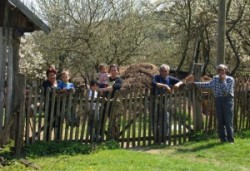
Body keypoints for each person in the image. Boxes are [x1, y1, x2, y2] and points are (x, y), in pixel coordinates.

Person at [193, 64, 235, 143]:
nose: (220, 71)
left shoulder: (230, 79)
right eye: (218, 70)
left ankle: (230, 140)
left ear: (225, 70)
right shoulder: (215, 78)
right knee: (220, 121)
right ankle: (223, 139)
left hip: (227, 100)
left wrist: (223, 81)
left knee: (228, 120)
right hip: (218, 100)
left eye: (222, 70)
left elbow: (227, 91)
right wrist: (196, 83)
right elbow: (208, 85)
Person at [152, 64, 184, 144]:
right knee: (155, 121)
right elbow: (154, 83)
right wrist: (165, 86)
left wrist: (177, 84)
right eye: (162, 71)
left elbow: (182, 81)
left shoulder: (170, 78)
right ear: (160, 71)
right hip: (155, 103)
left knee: (166, 120)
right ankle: (157, 140)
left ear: (168, 72)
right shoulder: (156, 77)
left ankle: (165, 139)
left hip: (166, 103)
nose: (163, 72)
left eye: (165, 71)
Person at [98, 64, 123, 138]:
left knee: (113, 121)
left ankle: (113, 138)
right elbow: (100, 87)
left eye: (115, 70)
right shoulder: (106, 79)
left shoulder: (119, 80)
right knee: (101, 119)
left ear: (118, 71)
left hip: (114, 104)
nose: (114, 71)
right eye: (112, 70)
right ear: (109, 71)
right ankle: (100, 137)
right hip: (104, 102)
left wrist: (105, 89)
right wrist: (103, 90)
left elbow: (115, 87)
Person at [41, 67, 60, 141]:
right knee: (49, 124)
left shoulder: (59, 82)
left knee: (58, 124)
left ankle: (57, 140)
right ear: (47, 76)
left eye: (53, 75)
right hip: (49, 107)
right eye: (50, 75)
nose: (52, 76)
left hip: (59, 106)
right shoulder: (45, 83)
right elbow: (49, 93)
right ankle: (47, 140)